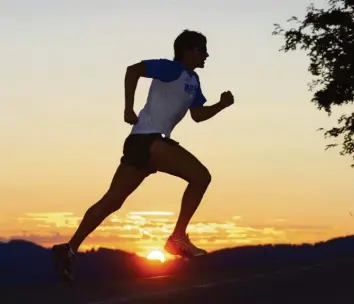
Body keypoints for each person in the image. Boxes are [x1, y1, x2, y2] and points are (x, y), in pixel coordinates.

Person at [52, 29, 234, 282]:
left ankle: (69, 249)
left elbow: (198, 115)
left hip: (144, 144)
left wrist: (221, 105)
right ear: (187, 51)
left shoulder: (193, 81)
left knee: (113, 200)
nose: (207, 54)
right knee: (201, 177)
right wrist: (128, 108)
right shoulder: (171, 69)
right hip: (148, 140)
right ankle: (177, 238)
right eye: (202, 49)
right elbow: (133, 69)